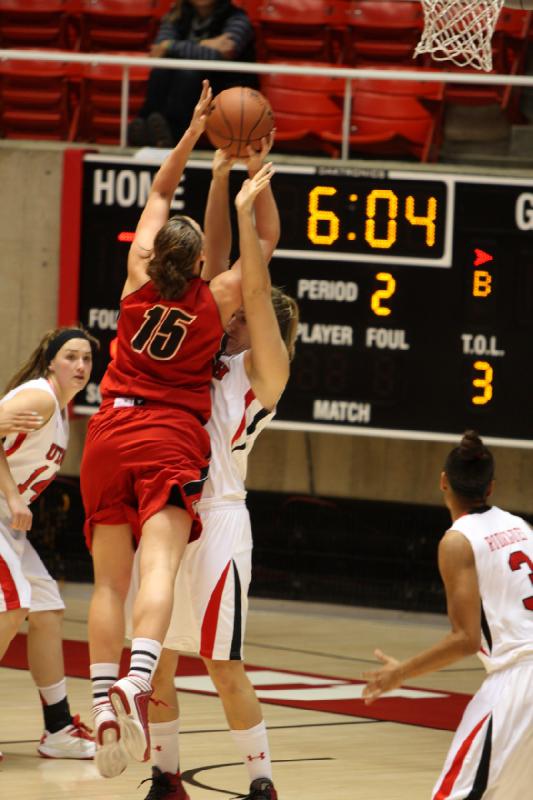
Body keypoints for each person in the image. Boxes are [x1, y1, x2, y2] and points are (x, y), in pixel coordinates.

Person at [80, 80, 274, 780]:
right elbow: (264, 249)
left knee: (108, 582)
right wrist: (249, 177)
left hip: (106, 431)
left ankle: (102, 697)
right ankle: (135, 681)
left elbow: (160, 194)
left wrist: (193, 136)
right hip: (168, 434)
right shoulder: (215, 297)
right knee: (156, 569)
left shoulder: (133, 281)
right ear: (199, 265)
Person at [124, 143, 298, 800]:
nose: (224, 315)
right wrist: (225, 176)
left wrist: (252, 197)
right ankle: (165, 777)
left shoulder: (266, 375)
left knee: (222, 665)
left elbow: (251, 276)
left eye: (238, 317)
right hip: (170, 508)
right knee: (161, 663)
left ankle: (261, 781)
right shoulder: (200, 356)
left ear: (260, 327)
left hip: (220, 517)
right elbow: (217, 263)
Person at [362, 430, 533, 800]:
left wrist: (401, 672)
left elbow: (465, 639)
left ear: (443, 481)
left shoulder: (458, 541)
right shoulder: (520, 526)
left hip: (517, 683)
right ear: (490, 488)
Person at [0, 327, 98, 761]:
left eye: (87, 360)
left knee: (47, 610)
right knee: (14, 604)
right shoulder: (38, 397)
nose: (80, 366)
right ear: (51, 361)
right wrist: (13, 493)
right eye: (71, 357)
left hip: (10, 525)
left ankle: (58, 729)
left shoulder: (60, 412)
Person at [128, 0, 256, 148]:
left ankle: (170, 134)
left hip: (224, 90)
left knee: (189, 73)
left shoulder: (238, 19)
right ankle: (148, 124)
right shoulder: (176, 15)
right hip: (179, 85)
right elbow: (158, 51)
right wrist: (205, 44)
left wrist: (170, 46)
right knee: (161, 71)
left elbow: (222, 53)